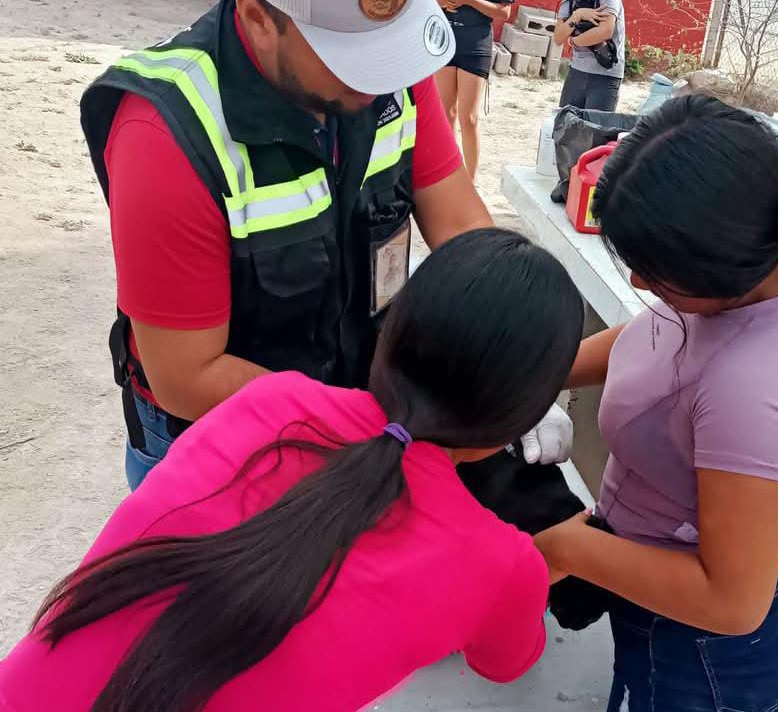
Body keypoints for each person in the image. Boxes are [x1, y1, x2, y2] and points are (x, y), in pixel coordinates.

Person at [79, 0, 569, 491]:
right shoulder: (169, 133)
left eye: (386, 48)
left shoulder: (391, 75)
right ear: (259, 20)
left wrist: (508, 367)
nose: (379, 77)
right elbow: (188, 374)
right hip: (217, 449)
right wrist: (367, 424)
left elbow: (458, 220)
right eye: (350, 57)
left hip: (351, 411)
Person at [0, 229, 585, 712]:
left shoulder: (273, 402)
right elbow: (506, 662)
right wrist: (551, 559)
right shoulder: (499, 566)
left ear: (392, 334)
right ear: (522, 420)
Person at [536, 96, 778, 712]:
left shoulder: (757, 390)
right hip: (665, 603)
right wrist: (527, 375)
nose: (639, 284)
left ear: (716, 265)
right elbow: (657, 336)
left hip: (703, 656)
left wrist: (564, 549)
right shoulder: (748, 279)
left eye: (654, 271)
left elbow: (732, 602)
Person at [420, 0, 514, 180]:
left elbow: (504, 11)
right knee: (445, 115)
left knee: (469, 118)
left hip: (475, 46)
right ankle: (449, 177)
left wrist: (470, 0)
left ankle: (470, 181)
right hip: (443, 43)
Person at [552, 0, 626, 112]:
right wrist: (578, 15)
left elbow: (605, 31)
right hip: (576, 72)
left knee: (594, 127)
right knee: (567, 124)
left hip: (606, 76)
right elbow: (558, 37)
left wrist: (574, 41)